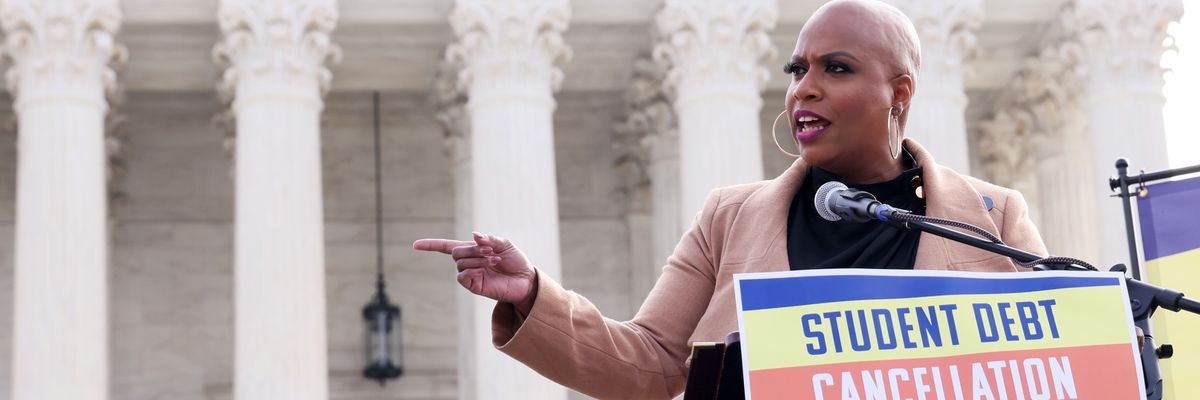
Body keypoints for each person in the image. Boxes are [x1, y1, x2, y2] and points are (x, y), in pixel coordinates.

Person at [413, 0, 1048, 398]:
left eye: (837, 68)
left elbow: (1045, 369)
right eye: (797, 69)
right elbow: (652, 366)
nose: (806, 89)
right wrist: (532, 297)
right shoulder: (728, 218)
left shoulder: (992, 218)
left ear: (900, 91)